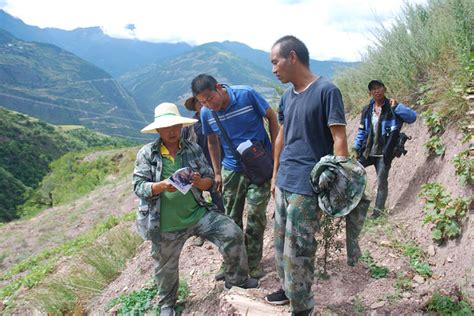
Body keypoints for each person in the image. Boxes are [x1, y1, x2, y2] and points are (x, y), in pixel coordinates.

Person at [267, 35, 369, 316]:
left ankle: (303, 307)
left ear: (292, 57)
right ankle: (288, 290)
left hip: (308, 184)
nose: (273, 69)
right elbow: (282, 137)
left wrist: (337, 186)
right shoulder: (287, 96)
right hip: (285, 180)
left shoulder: (327, 91)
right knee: (279, 245)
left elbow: (339, 141)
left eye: (275, 62)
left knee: (298, 249)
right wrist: (275, 176)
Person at [133, 102, 258, 316]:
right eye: (166, 127)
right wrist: (162, 185)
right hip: (165, 223)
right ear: (158, 130)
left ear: (181, 126)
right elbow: (138, 187)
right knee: (165, 268)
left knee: (232, 232)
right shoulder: (148, 154)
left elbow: (209, 180)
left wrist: (200, 182)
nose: (172, 131)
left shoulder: (192, 148)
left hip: (198, 213)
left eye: (176, 126)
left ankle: (237, 281)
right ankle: (167, 305)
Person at [191, 74, 279, 280]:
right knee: (231, 220)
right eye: (203, 102)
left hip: (260, 165)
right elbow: (212, 142)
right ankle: (232, 263)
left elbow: (272, 117)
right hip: (232, 169)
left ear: (219, 87)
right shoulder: (206, 113)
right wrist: (218, 172)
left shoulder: (246, 95)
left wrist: (276, 154)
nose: (208, 104)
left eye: (210, 98)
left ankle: (254, 263)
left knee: (256, 214)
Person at [352, 80, 417, 218]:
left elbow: (412, 118)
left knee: (382, 181)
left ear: (384, 89)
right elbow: (362, 131)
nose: (377, 91)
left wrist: (398, 107)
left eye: (379, 87)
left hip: (384, 153)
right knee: (351, 171)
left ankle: (377, 213)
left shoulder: (392, 107)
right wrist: (355, 148)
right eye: (373, 89)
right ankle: (355, 205)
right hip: (368, 152)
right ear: (370, 93)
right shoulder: (367, 110)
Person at [182, 97, 226, 246]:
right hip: (196, 170)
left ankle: (222, 225)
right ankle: (200, 232)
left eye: (203, 102)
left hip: (215, 167)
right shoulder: (188, 127)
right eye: (198, 102)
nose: (201, 105)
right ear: (194, 107)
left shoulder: (215, 119)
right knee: (196, 201)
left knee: (218, 196)